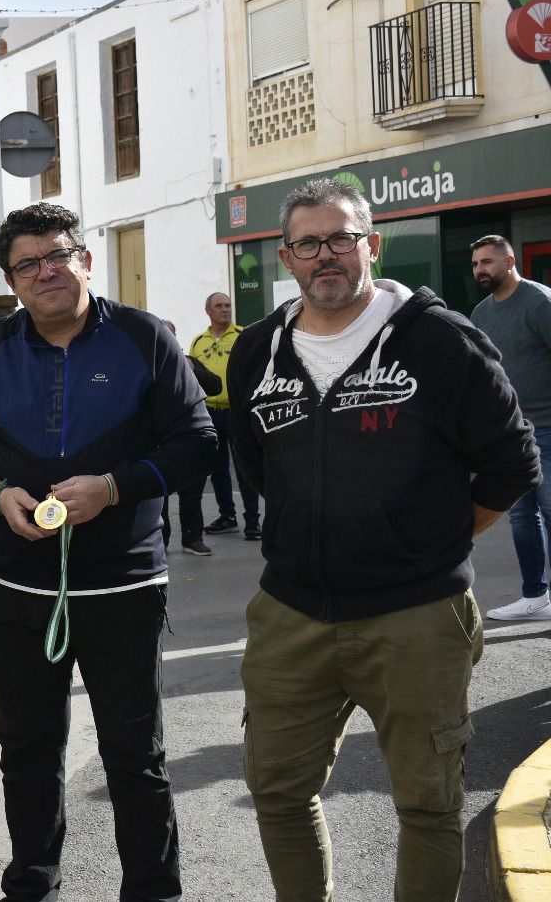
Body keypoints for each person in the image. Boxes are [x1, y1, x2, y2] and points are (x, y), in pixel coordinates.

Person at [228, 180, 540, 902]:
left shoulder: (440, 340)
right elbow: (257, 465)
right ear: (287, 257)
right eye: (308, 243)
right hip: (291, 613)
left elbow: (512, 463)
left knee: (428, 804)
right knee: (277, 790)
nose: (326, 255)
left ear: (371, 245)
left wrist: (426, 544)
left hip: (417, 615)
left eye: (341, 238)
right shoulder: (256, 352)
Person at [0, 203, 214, 902]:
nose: (46, 271)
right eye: (27, 264)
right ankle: (32, 886)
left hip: (123, 587)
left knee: (134, 756)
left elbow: (196, 443)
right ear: (11, 282)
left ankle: (153, 890)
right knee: (27, 752)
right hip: (17, 590)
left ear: (85, 260)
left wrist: (113, 488)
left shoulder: (145, 338)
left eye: (58, 255)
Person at [469, 234, 551, 621]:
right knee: (521, 517)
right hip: (511, 434)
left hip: (548, 427)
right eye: (475, 264)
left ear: (510, 261)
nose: (480, 270)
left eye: (487, 262)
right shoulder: (481, 313)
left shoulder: (539, 302)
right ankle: (535, 596)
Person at [189, 291, 262, 540]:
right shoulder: (198, 342)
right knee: (217, 469)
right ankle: (227, 516)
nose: (225, 309)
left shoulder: (243, 336)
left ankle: (252, 520)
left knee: (244, 468)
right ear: (208, 311)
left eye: (228, 305)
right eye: (219, 306)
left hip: (237, 411)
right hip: (208, 413)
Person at [162, 319, 222, 558]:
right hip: (159, 440)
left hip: (188, 437)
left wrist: (193, 370)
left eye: (169, 336)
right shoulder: (147, 362)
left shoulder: (190, 362)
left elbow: (216, 386)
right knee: (158, 493)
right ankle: (161, 541)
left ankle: (192, 538)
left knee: (192, 492)